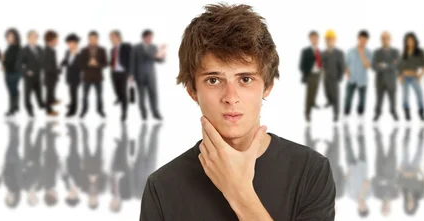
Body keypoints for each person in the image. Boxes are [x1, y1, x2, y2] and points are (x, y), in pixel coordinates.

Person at [141, 4, 335, 220]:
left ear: (268, 85)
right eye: (213, 80)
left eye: (245, 79)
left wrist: (238, 192)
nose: (231, 97)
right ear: (193, 90)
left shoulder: (310, 172)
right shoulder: (162, 187)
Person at [130, 29, 166, 121]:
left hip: (151, 75)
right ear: (144, 37)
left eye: (151, 37)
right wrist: (131, 75)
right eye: (149, 37)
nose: (151, 39)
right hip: (139, 75)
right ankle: (144, 114)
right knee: (141, 96)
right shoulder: (136, 48)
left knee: (153, 94)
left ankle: (155, 113)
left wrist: (162, 55)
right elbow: (132, 62)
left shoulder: (153, 47)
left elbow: (159, 60)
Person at [397, 32, 424, 121]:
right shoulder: (403, 53)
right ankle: (407, 112)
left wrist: (420, 76)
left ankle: (421, 111)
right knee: (405, 96)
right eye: (408, 41)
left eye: (412, 40)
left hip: (414, 77)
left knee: (419, 94)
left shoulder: (420, 52)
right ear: (406, 42)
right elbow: (398, 67)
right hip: (404, 77)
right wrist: (399, 77)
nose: (410, 42)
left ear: (415, 41)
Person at [79, 31, 108, 119]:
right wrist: (88, 63)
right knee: (84, 96)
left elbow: (106, 64)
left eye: (94, 39)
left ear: (97, 39)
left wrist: (97, 64)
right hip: (86, 77)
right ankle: (84, 110)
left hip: (98, 77)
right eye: (91, 39)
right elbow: (80, 65)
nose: (92, 40)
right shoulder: (83, 50)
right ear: (88, 39)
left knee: (99, 96)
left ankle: (100, 110)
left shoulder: (102, 50)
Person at [372, 31, 400, 122]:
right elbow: (374, 66)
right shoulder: (376, 52)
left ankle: (393, 111)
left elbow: (398, 65)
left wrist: (383, 65)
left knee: (393, 98)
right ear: (381, 40)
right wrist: (390, 65)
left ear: (390, 39)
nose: (385, 40)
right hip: (380, 80)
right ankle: (377, 113)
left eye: (387, 38)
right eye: (383, 38)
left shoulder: (396, 52)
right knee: (379, 98)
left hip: (391, 80)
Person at [398, 127, 424, 216]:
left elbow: (398, 180)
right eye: (412, 207)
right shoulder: (420, 195)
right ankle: (421, 134)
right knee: (419, 152)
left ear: (405, 205)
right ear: (415, 206)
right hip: (415, 170)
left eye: (408, 206)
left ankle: (407, 132)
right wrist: (420, 171)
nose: (410, 205)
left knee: (405, 150)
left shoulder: (402, 193)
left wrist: (400, 171)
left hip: (405, 169)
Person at [372, 127, 399, 217]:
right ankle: (393, 135)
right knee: (392, 150)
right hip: (391, 169)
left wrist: (382, 180)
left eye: (384, 209)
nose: (385, 208)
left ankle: (377, 133)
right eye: (387, 210)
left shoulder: (377, 195)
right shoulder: (395, 195)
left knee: (379, 149)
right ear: (390, 208)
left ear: (381, 207)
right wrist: (388, 181)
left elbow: (373, 181)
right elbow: (398, 182)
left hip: (380, 168)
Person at [344, 30, 373, 117]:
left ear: (367, 41)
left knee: (362, 101)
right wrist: (347, 72)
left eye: (365, 40)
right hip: (351, 79)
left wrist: (361, 53)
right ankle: (346, 114)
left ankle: (360, 116)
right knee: (348, 99)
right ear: (358, 38)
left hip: (362, 80)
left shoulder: (369, 52)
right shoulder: (350, 51)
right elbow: (345, 64)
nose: (363, 42)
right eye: (362, 39)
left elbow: (367, 66)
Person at [344, 124, 370, 218]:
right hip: (362, 165)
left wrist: (348, 172)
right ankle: (360, 126)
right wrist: (361, 196)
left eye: (361, 208)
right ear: (366, 206)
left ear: (358, 208)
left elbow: (346, 182)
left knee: (348, 147)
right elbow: (366, 182)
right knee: (361, 145)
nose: (362, 205)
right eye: (364, 207)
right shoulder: (368, 195)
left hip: (351, 167)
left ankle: (345, 127)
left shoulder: (351, 196)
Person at [321, 29, 346, 122]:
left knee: (336, 96)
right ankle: (329, 101)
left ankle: (336, 114)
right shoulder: (323, 53)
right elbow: (321, 64)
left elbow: (342, 66)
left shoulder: (339, 53)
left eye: (331, 39)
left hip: (334, 78)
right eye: (327, 39)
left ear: (334, 40)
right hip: (326, 77)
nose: (329, 41)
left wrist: (339, 77)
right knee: (327, 92)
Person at [20, 30, 46, 117]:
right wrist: (26, 72)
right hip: (29, 77)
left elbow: (43, 61)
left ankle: (41, 105)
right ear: (28, 38)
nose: (34, 39)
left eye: (36, 37)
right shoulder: (23, 50)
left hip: (38, 75)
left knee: (39, 93)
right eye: (32, 37)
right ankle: (29, 109)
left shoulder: (40, 48)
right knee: (27, 95)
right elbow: (18, 65)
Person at [109, 30, 133, 121]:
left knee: (123, 92)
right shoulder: (112, 49)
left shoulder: (126, 46)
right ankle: (119, 97)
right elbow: (112, 61)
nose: (111, 39)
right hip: (114, 72)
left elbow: (131, 59)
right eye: (110, 38)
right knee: (116, 89)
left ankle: (124, 112)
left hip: (123, 73)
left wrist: (131, 73)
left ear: (118, 37)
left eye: (112, 37)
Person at [299, 30, 322, 122]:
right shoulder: (306, 51)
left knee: (315, 90)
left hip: (318, 74)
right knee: (309, 94)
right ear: (310, 39)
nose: (314, 39)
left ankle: (313, 103)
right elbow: (302, 65)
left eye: (316, 38)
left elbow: (320, 61)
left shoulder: (318, 50)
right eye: (313, 38)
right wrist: (307, 72)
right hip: (310, 75)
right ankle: (307, 113)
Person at [61, 34, 82, 117]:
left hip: (76, 77)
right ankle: (72, 103)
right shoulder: (67, 51)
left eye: (71, 43)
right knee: (70, 92)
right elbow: (65, 60)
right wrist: (61, 64)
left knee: (74, 94)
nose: (69, 45)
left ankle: (73, 110)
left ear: (76, 43)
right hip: (69, 76)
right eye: (68, 43)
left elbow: (81, 67)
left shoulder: (80, 53)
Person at [3, 28, 22, 117]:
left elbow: (13, 61)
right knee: (13, 90)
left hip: (14, 73)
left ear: (15, 37)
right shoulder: (9, 48)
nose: (8, 38)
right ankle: (16, 106)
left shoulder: (18, 48)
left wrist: (5, 60)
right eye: (7, 36)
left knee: (12, 91)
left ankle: (11, 110)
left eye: (10, 36)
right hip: (8, 72)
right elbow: (6, 60)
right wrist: (3, 61)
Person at [42, 30, 61, 116]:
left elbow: (53, 64)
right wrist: (58, 70)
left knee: (51, 92)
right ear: (51, 40)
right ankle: (49, 110)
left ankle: (52, 100)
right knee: (49, 94)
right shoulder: (47, 51)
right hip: (49, 77)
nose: (57, 41)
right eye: (56, 39)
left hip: (52, 77)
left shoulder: (51, 50)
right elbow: (48, 67)